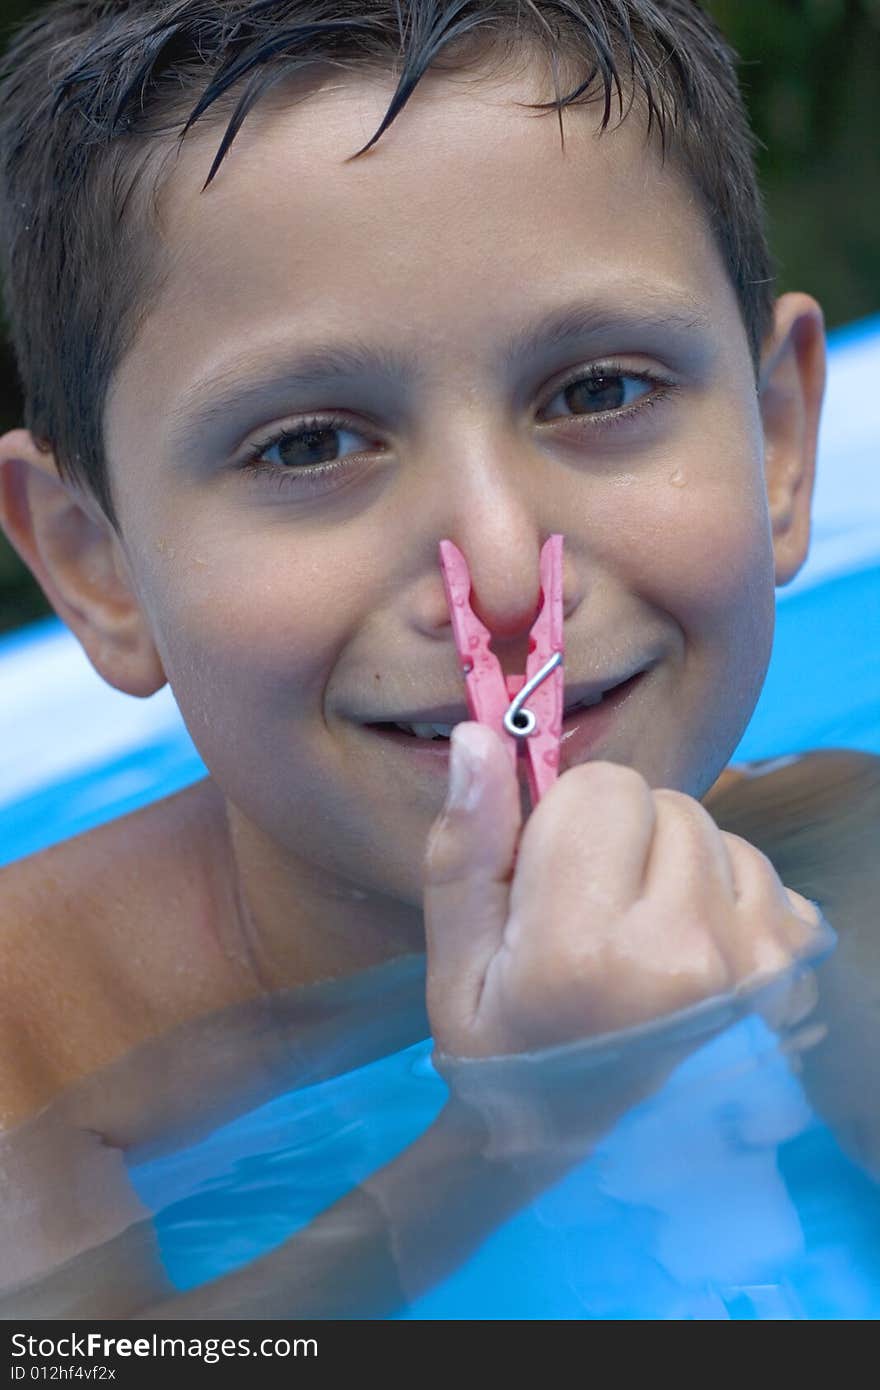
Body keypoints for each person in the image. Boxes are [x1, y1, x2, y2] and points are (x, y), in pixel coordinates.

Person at [0, 0, 877, 1317]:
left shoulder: (830, 838)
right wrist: (511, 1129)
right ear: (95, 564)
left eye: (598, 390)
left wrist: (813, 996)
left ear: (781, 446)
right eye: (306, 446)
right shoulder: (34, 1036)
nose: (512, 575)